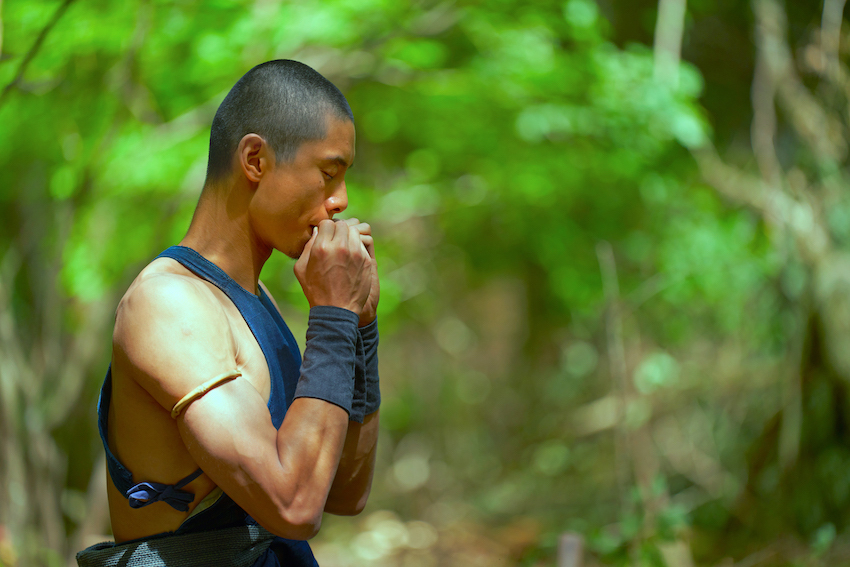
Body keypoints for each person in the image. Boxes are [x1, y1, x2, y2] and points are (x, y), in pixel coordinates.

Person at [76, 60, 381, 567]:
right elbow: (294, 503)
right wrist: (331, 314)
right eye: (329, 174)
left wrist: (359, 329)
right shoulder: (169, 305)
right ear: (255, 159)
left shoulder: (258, 303)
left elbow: (345, 493)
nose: (341, 201)